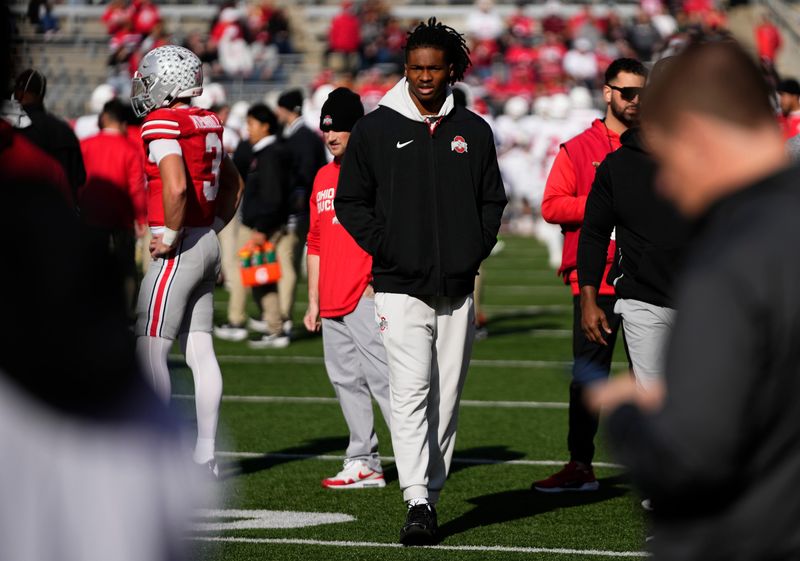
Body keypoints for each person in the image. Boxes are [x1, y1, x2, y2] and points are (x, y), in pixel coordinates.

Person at [588, 40, 800, 561]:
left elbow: (690, 453)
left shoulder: (728, 259)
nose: (663, 177)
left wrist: (626, 417)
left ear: (697, 131)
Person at [335, 18, 507, 545]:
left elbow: (492, 201)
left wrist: (470, 249)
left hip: (457, 288)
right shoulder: (375, 128)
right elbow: (351, 202)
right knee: (409, 392)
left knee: (447, 397)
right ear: (404, 69)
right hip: (397, 284)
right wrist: (389, 247)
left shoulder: (473, 130)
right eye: (415, 68)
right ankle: (417, 501)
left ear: (451, 70)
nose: (424, 78)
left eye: (433, 69)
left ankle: (431, 490)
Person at [131, 45, 244, 479]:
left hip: (177, 246)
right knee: (200, 349)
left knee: (148, 347)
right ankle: (205, 453)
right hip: (206, 241)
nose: (143, 86)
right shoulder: (206, 120)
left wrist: (174, 235)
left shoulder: (162, 121)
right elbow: (235, 185)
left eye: (149, 78)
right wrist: (209, 230)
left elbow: (176, 187)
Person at [536, 58, 647, 493]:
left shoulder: (656, 145)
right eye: (627, 92)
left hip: (645, 280)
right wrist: (602, 203)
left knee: (651, 378)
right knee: (589, 376)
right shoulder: (578, 149)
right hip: (596, 283)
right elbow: (551, 205)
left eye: (642, 93)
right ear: (607, 92)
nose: (636, 101)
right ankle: (580, 463)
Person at [304, 87, 393, 489]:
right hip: (331, 296)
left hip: (365, 292)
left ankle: (417, 459)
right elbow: (316, 242)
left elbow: (390, 231)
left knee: (385, 381)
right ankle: (364, 461)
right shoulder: (322, 177)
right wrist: (312, 300)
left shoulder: (376, 170)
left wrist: (377, 283)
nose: (332, 135)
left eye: (339, 127)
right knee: (345, 382)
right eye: (327, 128)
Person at [79, 98, 147, 320]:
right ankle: (126, 314)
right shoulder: (130, 148)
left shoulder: (86, 144)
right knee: (126, 268)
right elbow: (136, 187)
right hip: (121, 218)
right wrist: (141, 217)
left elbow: (76, 180)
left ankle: (89, 309)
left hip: (89, 216)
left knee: (90, 265)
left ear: (104, 118)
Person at [273, 88, 327, 339]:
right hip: (306, 208)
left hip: (299, 211)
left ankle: (282, 316)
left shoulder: (300, 138)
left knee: (286, 262)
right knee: (291, 260)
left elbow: (302, 176)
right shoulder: (306, 136)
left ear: (287, 110)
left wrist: (293, 202)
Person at [240, 103, 293, 349]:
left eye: (251, 124)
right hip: (263, 224)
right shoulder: (265, 153)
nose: (248, 129)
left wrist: (261, 227)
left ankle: (275, 328)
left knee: (262, 278)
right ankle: (273, 324)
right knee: (259, 279)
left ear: (265, 126)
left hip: (264, 227)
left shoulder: (270, 154)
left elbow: (272, 196)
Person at [14, 68, 86, 201]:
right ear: (41, 96)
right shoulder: (63, 130)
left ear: (18, 94)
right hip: (55, 212)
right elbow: (79, 178)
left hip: (12, 211)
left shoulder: (8, 128)